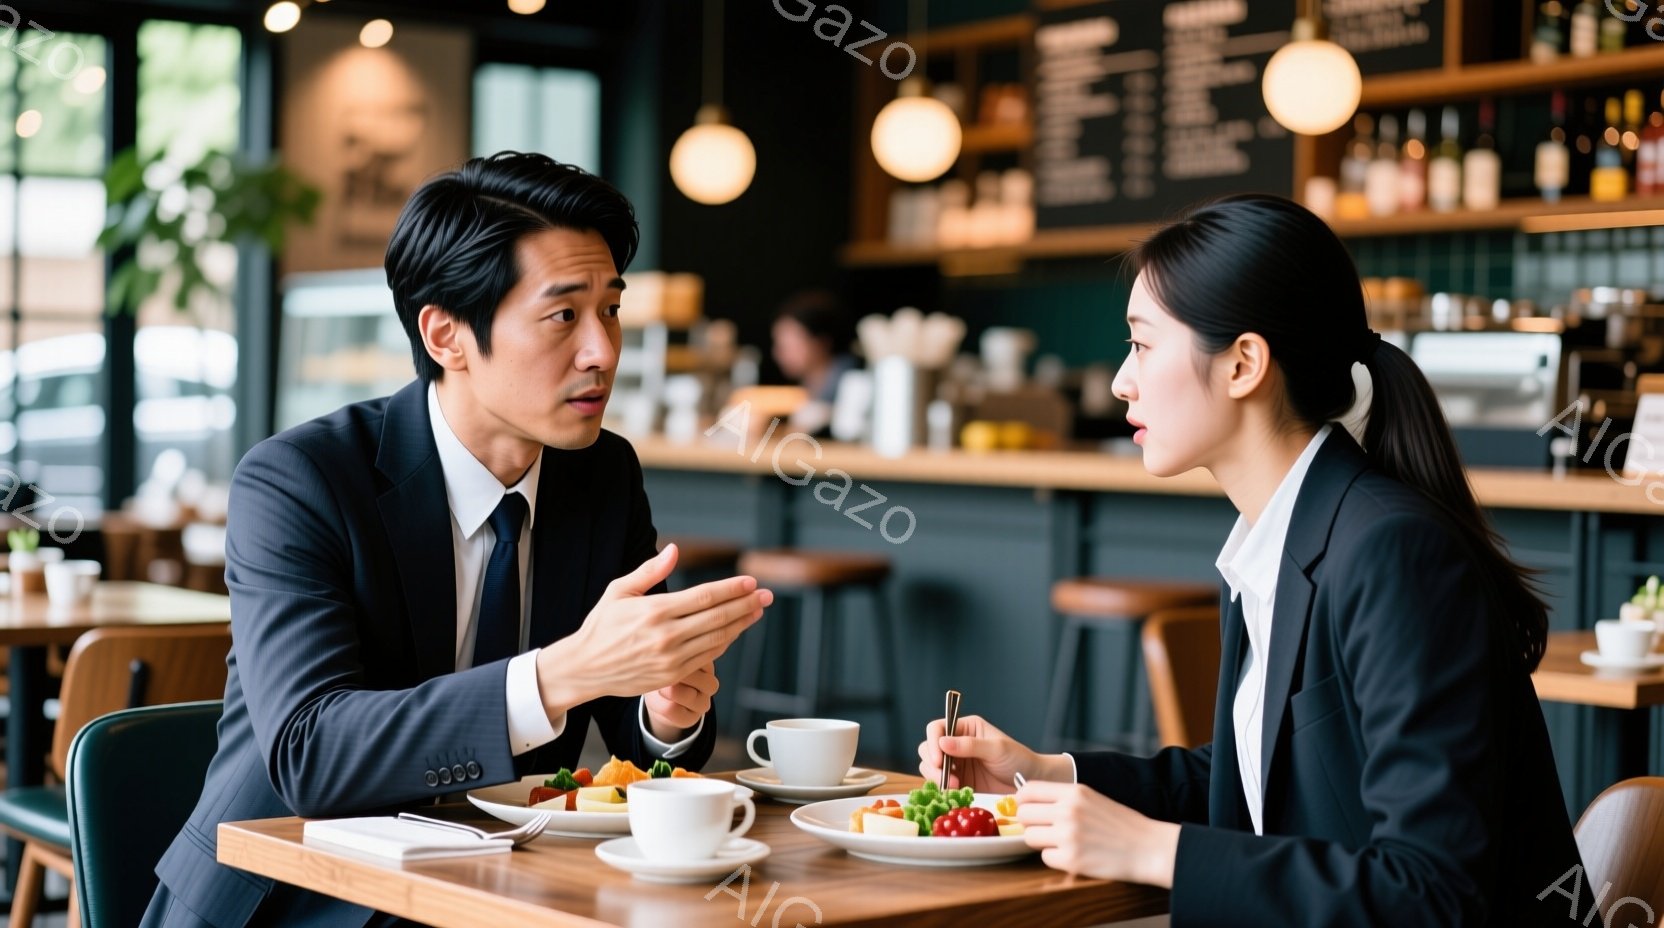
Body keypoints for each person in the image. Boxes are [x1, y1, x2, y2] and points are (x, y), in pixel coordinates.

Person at [918, 194, 1583, 926]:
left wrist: (1155, 851)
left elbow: (1430, 893)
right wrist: (1046, 776)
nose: (1120, 381)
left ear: (1243, 364)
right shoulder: (1279, 540)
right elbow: (1252, 779)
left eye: (1141, 344)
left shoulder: (1391, 550)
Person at [145, 152, 773, 927]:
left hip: (501, 890)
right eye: (562, 315)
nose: (603, 351)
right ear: (447, 335)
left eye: (610, 309)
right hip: (298, 896)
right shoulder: (300, 479)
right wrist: (555, 676)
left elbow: (634, 747)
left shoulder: (600, 473)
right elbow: (310, 753)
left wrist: (665, 714)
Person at [771, 290, 857, 406]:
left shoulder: (849, 386)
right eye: (779, 345)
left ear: (821, 343)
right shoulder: (806, 390)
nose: (778, 354)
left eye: (789, 346)